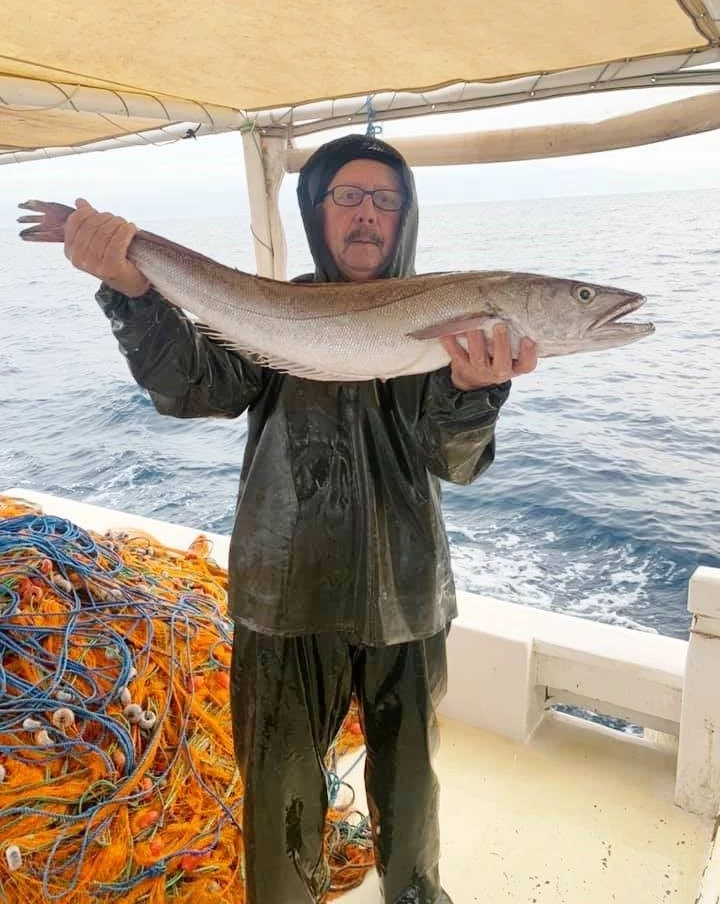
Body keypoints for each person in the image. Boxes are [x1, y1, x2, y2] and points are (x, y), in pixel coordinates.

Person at [63, 134, 538, 904]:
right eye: (346, 197)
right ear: (315, 213)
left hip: (407, 592)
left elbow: (454, 461)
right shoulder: (272, 312)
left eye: (386, 200)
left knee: (410, 784)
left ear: (406, 218)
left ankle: (416, 893)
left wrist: (475, 391)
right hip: (284, 590)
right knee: (280, 788)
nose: (366, 216)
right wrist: (133, 290)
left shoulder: (453, 324)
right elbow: (192, 389)